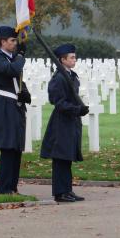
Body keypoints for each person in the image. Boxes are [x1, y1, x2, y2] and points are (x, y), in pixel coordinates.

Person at [40, 43, 90, 203]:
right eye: (71, 57)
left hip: (71, 122)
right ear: (62, 60)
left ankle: (67, 189)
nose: (75, 59)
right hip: (62, 122)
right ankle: (60, 192)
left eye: (75, 57)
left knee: (67, 157)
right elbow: (58, 102)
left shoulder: (71, 76)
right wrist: (77, 109)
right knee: (60, 158)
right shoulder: (59, 78)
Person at [0, 26, 31, 194]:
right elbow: (13, 71)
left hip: (16, 106)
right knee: (8, 147)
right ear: (3, 42)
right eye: (12, 41)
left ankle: (13, 187)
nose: (15, 43)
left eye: (16, 40)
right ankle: (4, 188)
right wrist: (20, 56)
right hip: (5, 106)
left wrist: (25, 94)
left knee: (16, 148)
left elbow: (19, 80)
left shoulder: (12, 57)